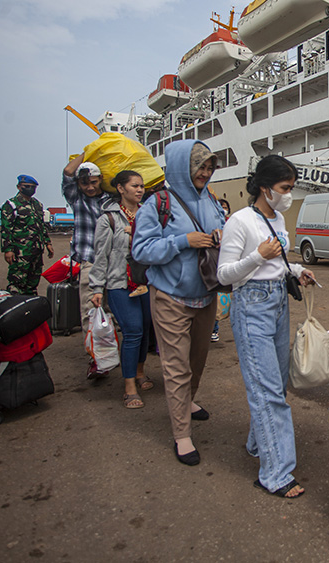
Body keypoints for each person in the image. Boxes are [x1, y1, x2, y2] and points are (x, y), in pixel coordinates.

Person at [217, 155, 316, 499]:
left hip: (277, 303)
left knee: (275, 383)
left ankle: (259, 444)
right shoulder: (239, 221)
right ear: (265, 187)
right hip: (252, 307)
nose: (289, 194)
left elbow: (278, 265)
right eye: (284, 188)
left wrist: (296, 272)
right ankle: (275, 473)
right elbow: (224, 275)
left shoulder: (278, 217)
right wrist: (258, 255)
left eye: (291, 188)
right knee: (268, 390)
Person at [131, 140, 225, 466]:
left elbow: (223, 232)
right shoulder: (157, 204)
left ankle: (187, 402)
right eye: (199, 166)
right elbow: (141, 251)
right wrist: (183, 241)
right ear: (181, 166)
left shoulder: (212, 201)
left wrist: (222, 237)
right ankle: (182, 434)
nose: (205, 172)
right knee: (176, 367)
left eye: (210, 166)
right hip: (170, 296)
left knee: (197, 362)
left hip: (206, 294)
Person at [89, 170, 153, 409]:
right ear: (121, 189)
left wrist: (137, 233)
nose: (139, 190)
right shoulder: (109, 219)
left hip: (146, 283)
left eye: (142, 186)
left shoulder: (149, 215)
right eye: (134, 186)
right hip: (119, 284)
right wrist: (97, 287)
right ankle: (129, 387)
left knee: (146, 330)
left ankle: (139, 371)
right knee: (133, 331)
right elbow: (101, 256)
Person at [62, 156, 111, 329]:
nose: (90, 187)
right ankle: (95, 353)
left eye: (93, 182)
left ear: (101, 180)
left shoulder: (111, 199)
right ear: (78, 184)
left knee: (110, 309)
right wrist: (88, 152)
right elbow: (68, 172)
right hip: (90, 260)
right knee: (90, 310)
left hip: (113, 261)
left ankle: (110, 349)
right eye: (84, 184)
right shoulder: (76, 199)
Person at [0, 174, 53, 295]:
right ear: (19, 187)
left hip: (36, 251)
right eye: (27, 186)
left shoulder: (37, 205)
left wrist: (48, 243)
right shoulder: (11, 205)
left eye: (33, 187)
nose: (30, 189)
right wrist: (8, 250)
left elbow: (41, 226)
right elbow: (6, 229)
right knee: (17, 282)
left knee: (33, 282)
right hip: (20, 252)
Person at [212, 198, 232, 342]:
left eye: (225, 207)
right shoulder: (213, 223)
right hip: (212, 263)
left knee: (218, 299)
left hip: (221, 264)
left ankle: (214, 328)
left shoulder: (230, 222)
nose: (223, 209)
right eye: (221, 207)